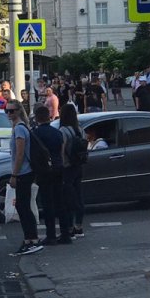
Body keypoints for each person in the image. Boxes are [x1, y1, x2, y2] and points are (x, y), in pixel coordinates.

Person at [6, 100, 42, 255]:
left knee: (23, 206)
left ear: (19, 111)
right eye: (6, 111)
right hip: (24, 172)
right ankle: (30, 238)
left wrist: (14, 174)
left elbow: (20, 154)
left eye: (11, 111)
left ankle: (31, 239)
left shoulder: (20, 129)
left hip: (23, 173)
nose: (8, 114)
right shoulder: (19, 127)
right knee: (23, 206)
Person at [32, 103, 71, 244]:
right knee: (60, 202)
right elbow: (61, 152)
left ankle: (51, 235)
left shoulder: (35, 134)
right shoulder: (58, 133)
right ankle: (65, 234)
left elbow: (34, 155)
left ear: (37, 118)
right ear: (49, 117)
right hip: (58, 168)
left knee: (48, 204)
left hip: (44, 171)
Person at [59, 102, 85, 238]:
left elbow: (62, 150)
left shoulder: (63, 131)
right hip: (78, 166)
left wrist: (61, 164)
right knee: (78, 195)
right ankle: (79, 226)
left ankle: (69, 227)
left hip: (68, 167)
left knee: (67, 198)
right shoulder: (79, 129)